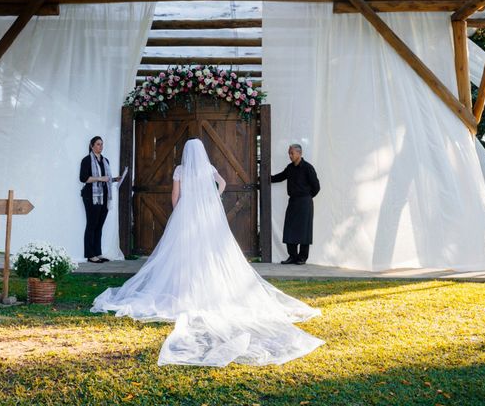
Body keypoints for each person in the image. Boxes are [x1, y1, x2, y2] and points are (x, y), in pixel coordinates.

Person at [91, 138, 323, 367]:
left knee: (183, 254)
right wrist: (213, 198)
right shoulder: (208, 168)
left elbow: (175, 195)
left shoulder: (180, 169)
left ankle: (184, 289)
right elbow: (222, 184)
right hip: (207, 214)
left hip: (187, 213)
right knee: (212, 252)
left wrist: (178, 211)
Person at [271, 143, 321, 265]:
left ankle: (302, 257)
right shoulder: (290, 168)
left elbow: (316, 187)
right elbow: (280, 177)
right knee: (290, 228)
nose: (290, 155)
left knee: (304, 230)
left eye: (292, 153)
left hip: (305, 202)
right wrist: (266, 178)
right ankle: (293, 256)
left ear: (299, 153)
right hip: (293, 201)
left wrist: (307, 197)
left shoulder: (308, 168)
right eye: (289, 153)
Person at [79, 136, 120, 263]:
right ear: (92, 146)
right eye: (98, 144)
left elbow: (106, 178)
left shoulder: (105, 160)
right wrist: (100, 179)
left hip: (104, 197)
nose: (100, 147)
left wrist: (114, 179)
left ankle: (97, 253)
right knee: (91, 225)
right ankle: (90, 255)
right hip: (91, 196)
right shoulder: (86, 160)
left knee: (99, 225)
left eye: (102, 144)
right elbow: (83, 178)